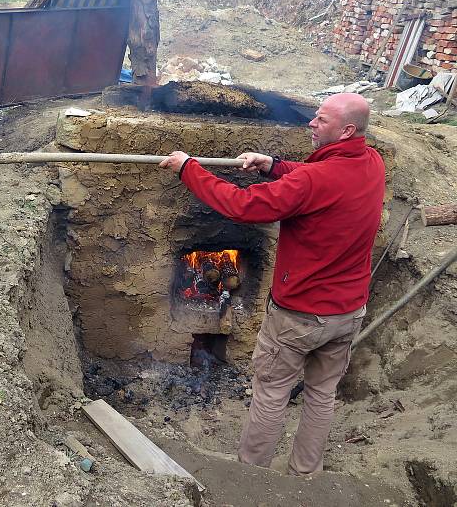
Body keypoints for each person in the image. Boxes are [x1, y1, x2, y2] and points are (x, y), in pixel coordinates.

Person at [158, 92, 385, 475]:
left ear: (346, 130)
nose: (311, 123)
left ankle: (252, 475)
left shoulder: (315, 179)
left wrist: (188, 169)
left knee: (271, 392)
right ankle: (304, 475)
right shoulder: (372, 161)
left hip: (299, 316)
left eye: (322, 120)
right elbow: (318, 182)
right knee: (321, 393)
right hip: (348, 312)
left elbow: (244, 206)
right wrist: (275, 166)